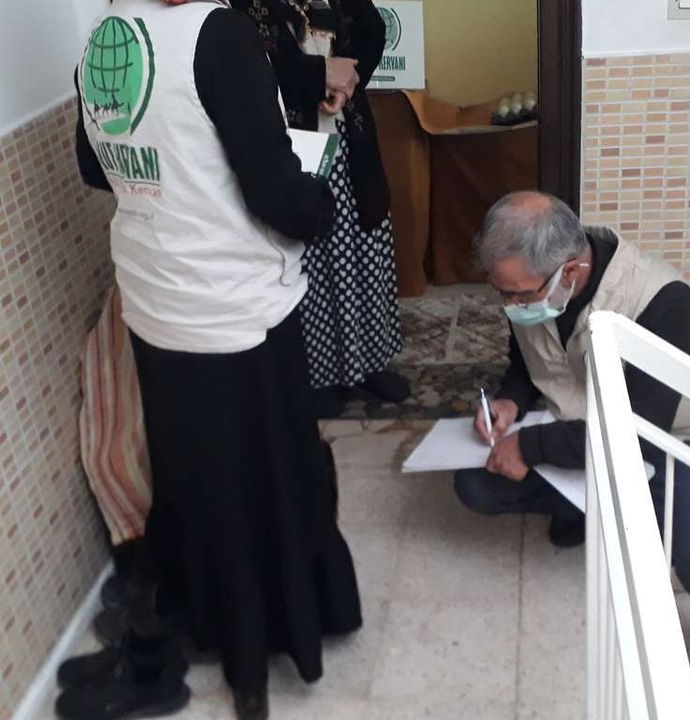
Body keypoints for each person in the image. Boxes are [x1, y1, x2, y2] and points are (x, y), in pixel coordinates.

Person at [58, 2, 361, 719]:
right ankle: (273, 645)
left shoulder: (109, 32)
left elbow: (95, 168)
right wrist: (320, 196)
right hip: (233, 309)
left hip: (157, 300)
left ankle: (215, 632)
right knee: (269, 478)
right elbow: (277, 196)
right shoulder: (217, 33)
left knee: (199, 480)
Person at [453, 191, 690, 716]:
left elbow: (636, 432)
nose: (510, 306)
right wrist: (510, 400)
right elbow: (525, 361)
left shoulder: (665, 304)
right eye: (502, 293)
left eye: (517, 295)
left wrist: (530, 445)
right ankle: (579, 507)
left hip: (665, 437)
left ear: (570, 272)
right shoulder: (532, 285)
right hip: (572, 423)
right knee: (475, 485)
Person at [230, 0, 407, 417]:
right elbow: (252, 68)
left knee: (364, 248)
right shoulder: (239, 8)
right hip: (293, 145)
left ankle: (370, 362)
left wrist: (347, 82)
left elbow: (371, 28)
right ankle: (320, 376)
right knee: (311, 259)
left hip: (350, 140)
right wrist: (319, 76)